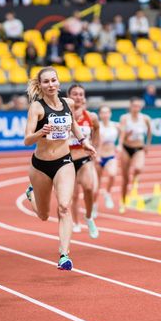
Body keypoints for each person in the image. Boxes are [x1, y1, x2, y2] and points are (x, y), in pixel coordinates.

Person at [23, 67, 96, 270]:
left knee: (64, 206)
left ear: (58, 82)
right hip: (40, 166)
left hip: (64, 161)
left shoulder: (68, 103)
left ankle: (64, 255)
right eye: (46, 82)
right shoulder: (36, 108)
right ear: (40, 85)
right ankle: (31, 195)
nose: (50, 85)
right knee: (44, 215)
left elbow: (72, 123)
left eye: (53, 80)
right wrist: (40, 132)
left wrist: (84, 142)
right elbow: (27, 139)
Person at [67, 84, 100, 237]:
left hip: (84, 158)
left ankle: (88, 217)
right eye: (75, 94)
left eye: (81, 94)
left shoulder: (91, 116)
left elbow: (97, 131)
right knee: (73, 195)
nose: (78, 97)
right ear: (69, 96)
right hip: (66, 160)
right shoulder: (63, 115)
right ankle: (75, 222)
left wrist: (95, 148)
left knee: (88, 188)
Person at [117, 97, 152, 213]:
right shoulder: (124, 118)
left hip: (139, 148)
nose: (136, 108)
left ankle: (135, 181)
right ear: (130, 106)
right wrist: (120, 145)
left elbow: (149, 132)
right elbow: (122, 134)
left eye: (139, 106)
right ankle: (123, 202)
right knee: (125, 179)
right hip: (127, 148)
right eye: (134, 106)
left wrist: (148, 145)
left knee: (138, 168)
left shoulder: (145, 118)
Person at [95, 105, 120, 210]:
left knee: (113, 174)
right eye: (103, 113)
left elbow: (124, 134)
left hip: (111, 156)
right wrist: (97, 155)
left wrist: (121, 145)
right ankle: (93, 205)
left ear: (110, 114)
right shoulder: (97, 127)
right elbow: (94, 141)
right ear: (100, 114)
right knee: (97, 183)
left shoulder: (116, 126)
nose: (105, 115)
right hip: (98, 157)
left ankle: (107, 193)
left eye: (107, 112)